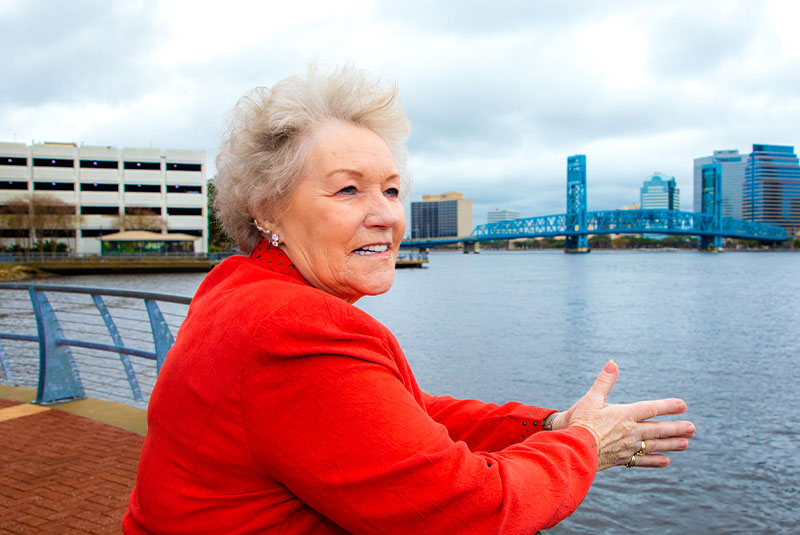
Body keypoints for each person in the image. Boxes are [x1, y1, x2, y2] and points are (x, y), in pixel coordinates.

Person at [123, 65, 695, 535]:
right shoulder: (292, 329)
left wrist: (549, 423)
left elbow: (407, 412)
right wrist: (587, 444)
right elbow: (468, 512)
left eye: (392, 190)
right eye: (348, 188)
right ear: (266, 208)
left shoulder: (240, 289)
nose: (387, 215)